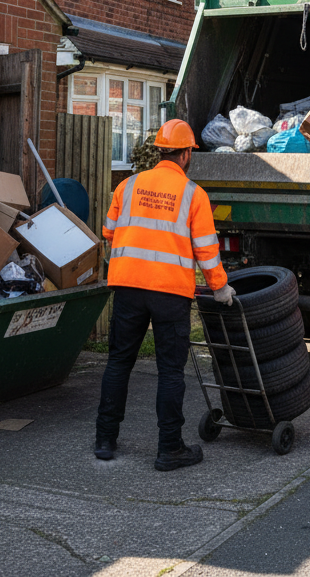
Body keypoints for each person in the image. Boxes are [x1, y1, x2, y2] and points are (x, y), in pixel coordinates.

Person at [94, 119, 235, 470]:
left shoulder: (128, 185)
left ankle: (105, 439)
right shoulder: (193, 195)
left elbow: (108, 231)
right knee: (170, 371)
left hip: (127, 285)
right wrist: (220, 287)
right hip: (169, 292)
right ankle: (169, 448)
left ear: (159, 150)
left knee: (118, 362)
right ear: (186, 154)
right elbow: (206, 250)